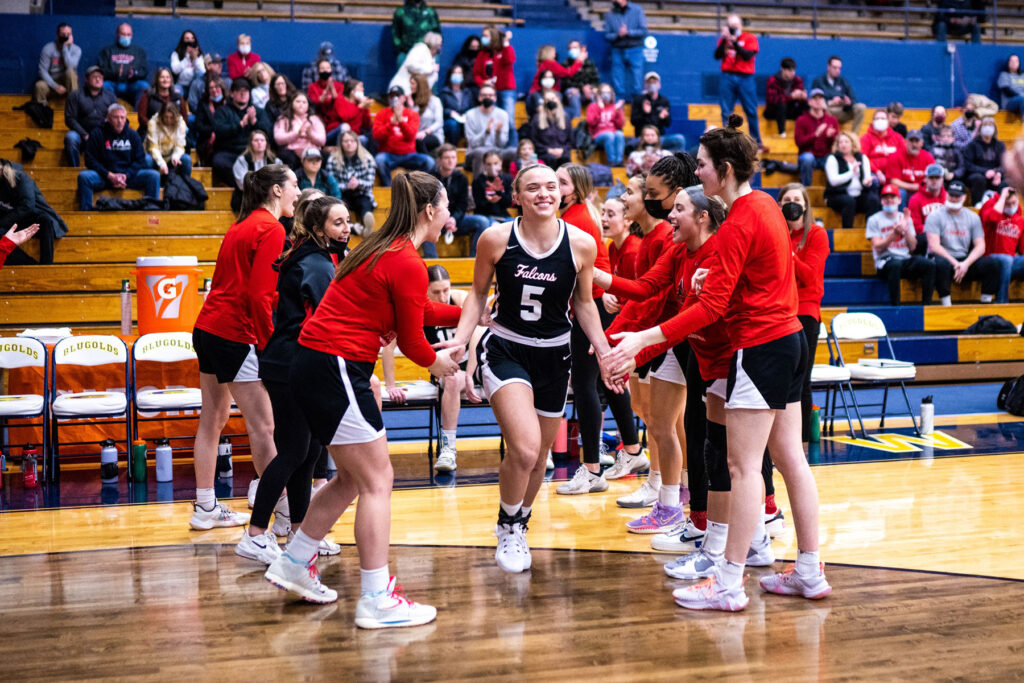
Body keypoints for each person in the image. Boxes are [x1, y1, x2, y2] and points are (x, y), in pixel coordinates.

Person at [606, 116, 830, 611]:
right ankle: (810, 570)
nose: (698, 173)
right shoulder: (766, 205)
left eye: (703, 166)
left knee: (744, 466)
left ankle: (728, 582)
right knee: (791, 458)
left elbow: (710, 309)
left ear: (724, 170)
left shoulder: (740, 220)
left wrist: (642, 337)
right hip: (791, 340)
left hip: (762, 345)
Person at [266, 170, 460, 627]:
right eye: (446, 206)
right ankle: (375, 596)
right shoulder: (407, 260)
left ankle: (295, 561)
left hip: (318, 365)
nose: (450, 215)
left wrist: (475, 310)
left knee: (353, 478)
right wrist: (440, 364)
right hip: (335, 367)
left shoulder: (383, 248)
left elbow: (418, 309)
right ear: (430, 211)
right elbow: (414, 343)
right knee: (378, 480)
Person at [440, 163, 616, 573]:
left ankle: (521, 522)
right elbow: (478, 294)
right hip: (507, 348)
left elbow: (585, 303)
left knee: (539, 460)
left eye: (551, 186)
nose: (544, 193)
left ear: (562, 193)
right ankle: (507, 526)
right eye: (533, 187)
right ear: (516, 196)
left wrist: (605, 352)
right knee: (524, 447)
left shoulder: (583, 244)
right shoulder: (495, 238)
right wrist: (462, 341)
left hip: (556, 354)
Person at [236, 193, 349, 563]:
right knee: (295, 451)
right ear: (319, 228)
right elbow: (329, 316)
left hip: (292, 362)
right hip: (290, 365)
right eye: (338, 223)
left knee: (310, 450)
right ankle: (255, 534)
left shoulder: (311, 255)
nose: (346, 229)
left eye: (348, 221)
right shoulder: (316, 264)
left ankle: (301, 534)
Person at [191, 164, 300, 531]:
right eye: (294, 185)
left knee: (213, 419)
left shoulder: (240, 225)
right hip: (234, 334)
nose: (298, 193)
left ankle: (204, 507)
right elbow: (258, 295)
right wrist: (269, 345)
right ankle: (286, 517)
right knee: (264, 428)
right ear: (276, 190)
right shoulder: (271, 228)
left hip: (207, 327)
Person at [554, 164, 642, 496]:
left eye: (560, 183)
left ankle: (591, 468)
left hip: (594, 307)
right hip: (594, 306)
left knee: (587, 384)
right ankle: (632, 450)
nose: (553, 188)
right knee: (607, 381)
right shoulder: (577, 214)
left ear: (574, 189)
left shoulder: (574, 219)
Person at [600, 174, 671, 505]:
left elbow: (650, 297)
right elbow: (638, 295)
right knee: (648, 413)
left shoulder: (653, 241)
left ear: (650, 197)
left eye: (629, 193)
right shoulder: (646, 240)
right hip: (647, 336)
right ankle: (661, 485)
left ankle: (670, 488)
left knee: (665, 422)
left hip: (660, 338)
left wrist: (624, 342)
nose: (624, 198)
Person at [382, 265, 471, 472]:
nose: (442, 296)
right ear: (426, 292)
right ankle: (449, 449)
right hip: (447, 371)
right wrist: (391, 385)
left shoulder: (460, 299)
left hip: (475, 364)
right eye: (436, 292)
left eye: (446, 290)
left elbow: (477, 336)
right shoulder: (418, 308)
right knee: (452, 378)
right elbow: (388, 346)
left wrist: (473, 369)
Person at [778, 184, 829, 439]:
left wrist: (789, 255)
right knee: (780, 377)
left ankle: (801, 439)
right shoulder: (776, 233)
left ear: (806, 205)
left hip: (806, 312)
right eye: (786, 199)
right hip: (779, 311)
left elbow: (810, 277)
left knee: (801, 377)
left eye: (796, 199)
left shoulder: (817, 235)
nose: (791, 203)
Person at [925, 179, 1000, 305]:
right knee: (940, 264)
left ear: (964, 197)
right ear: (946, 195)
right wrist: (955, 263)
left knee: (992, 264)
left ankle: (986, 303)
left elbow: (981, 246)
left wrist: (965, 263)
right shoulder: (935, 216)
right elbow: (934, 246)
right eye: (951, 195)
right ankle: (946, 304)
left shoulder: (973, 217)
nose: (953, 198)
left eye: (957, 196)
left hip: (964, 260)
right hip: (945, 258)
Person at [78, 103, 160, 211]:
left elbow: (140, 160)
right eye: (116, 117)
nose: (120, 121)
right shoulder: (97, 134)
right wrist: (109, 175)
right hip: (105, 176)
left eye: (122, 117)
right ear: (108, 118)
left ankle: (151, 213)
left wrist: (126, 175)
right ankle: (86, 215)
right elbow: (90, 160)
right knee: (84, 177)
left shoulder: (133, 135)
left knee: (154, 175)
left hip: (127, 177)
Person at [866, 184, 936, 309]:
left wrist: (907, 229)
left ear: (899, 200)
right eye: (886, 197)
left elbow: (913, 247)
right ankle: (895, 307)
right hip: (885, 260)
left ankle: (927, 306)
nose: (889, 200)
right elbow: (877, 247)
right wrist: (894, 233)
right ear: (881, 200)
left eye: (892, 197)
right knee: (895, 265)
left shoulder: (904, 218)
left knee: (928, 264)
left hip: (904, 258)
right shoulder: (874, 219)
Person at [0, 159, 65, 265]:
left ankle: (47, 265)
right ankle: (30, 264)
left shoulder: (21, 178)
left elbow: (28, 206)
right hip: (10, 222)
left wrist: (3, 222)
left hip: (26, 217)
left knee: (46, 221)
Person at [212, 78, 273, 187]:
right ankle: (243, 186)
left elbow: (268, 132)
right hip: (230, 151)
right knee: (219, 161)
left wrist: (254, 122)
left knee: (272, 162)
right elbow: (219, 131)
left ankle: (255, 187)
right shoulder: (223, 111)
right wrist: (240, 125)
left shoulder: (258, 111)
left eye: (246, 91)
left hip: (253, 152)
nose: (243, 94)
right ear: (231, 94)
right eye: (239, 91)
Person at [714, 13, 762, 148]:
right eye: (730, 26)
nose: (733, 28)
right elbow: (717, 55)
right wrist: (725, 39)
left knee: (751, 109)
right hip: (727, 76)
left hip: (745, 77)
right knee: (726, 111)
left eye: (735, 26)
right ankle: (728, 141)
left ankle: (756, 141)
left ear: (741, 25)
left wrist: (734, 42)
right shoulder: (725, 39)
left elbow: (747, 56)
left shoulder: (749, 37)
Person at [373, 85, 435, 187]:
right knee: (379, 160)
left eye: (397, 96)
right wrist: (391, 124)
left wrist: (401, 121)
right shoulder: (381, 114)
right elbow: (377, 136)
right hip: (389, 155)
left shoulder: (412, 114)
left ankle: (417, 188)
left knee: (429, 162)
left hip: (409, 155)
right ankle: (389, 190)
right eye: (391, 96)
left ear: (404, 98)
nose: (394, 99)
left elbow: (411, 136)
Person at [825, 131, 880, 230]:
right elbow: (833, 181)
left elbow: (865, 179)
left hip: (858, 195)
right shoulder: (832, 158)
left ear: (853, 143)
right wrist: (851, 172)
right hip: (837, 195)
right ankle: (848, 232)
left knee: (874, 200)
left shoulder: (862, 158)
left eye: (846, 141)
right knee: (849, 201)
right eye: (840, 142)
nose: (843, 144)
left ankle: (871, 231)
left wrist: (867, 182)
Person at [64, 66, 117, 168]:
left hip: (103, 135)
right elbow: (70, 119)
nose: (98, 79)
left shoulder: (110, 96)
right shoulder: (75, 95)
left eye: (100, 77)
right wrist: (84, 134)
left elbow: (116, 116)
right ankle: (73, 171)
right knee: (71, 138)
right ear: (86, 79)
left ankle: (112, 171)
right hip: (82, 134)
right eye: (95, 77)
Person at [327, 130, 378, 235]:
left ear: (357, 142)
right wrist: (347, 186)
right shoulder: (333, 159)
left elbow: (370, 183)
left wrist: (358, 183)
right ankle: (352, 227)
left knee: (365, 203)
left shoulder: (368, 159)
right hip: (343, 194)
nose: (349, 143)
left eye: (352, 141)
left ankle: (366, 224)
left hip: (361, 193)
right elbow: (331, 182)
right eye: (345, 141)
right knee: (340, 205)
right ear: (341, 143)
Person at [472, 27, 517, 146]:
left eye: (486, 35)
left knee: (510, 121)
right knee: (492, 120)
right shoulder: (482, 54)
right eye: (483, 35)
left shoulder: (504, 50)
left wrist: (506, 42)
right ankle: (493, 148)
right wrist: (483, 83)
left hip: (506, 90)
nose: (483, 38)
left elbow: (510, 59)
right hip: (489, 91)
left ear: (493, 37)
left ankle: (512, 149)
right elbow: (476, 73)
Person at [464, 150, 514, 256]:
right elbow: (479, 205)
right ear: (484, 165)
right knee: (491, 225)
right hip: (486, 216)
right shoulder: (478, 181)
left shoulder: (507, 179)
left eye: (495, 163)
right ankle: (474, 258)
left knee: (517, 226)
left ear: (500, 164)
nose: (492, 167)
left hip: (503, 216)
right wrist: (490, 201)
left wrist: (499, 192)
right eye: (489, 164)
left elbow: (509, 202)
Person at [980, 188, 1024, 303]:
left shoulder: (1020, 220)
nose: (1011, 206)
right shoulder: (991, 208)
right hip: (990, 259)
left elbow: (1022, 249)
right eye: (1007, 204)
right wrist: (1002, 196)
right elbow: (991, 218)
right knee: (1007, 260)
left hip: (1010, 262)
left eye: (1014, 203)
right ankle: (1001, 303)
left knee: (1010, 260)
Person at [464, 84, 513, 175]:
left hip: (497, 150)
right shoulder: (470, 114)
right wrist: (486, 132)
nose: (487, 97)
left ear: (495, 98)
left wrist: (498, 133)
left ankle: (515, 186)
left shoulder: (503, 114)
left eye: (490, 95)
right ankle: (478, 187)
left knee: (514, 152)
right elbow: (472, 143)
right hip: (476, 151)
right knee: (480, 152)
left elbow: (502, 144)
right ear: (479, 98)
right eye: (484, 95)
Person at [630, 71, 685, 152]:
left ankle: (673, 163)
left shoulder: (664, 101)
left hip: (659, 138)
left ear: (659, 85)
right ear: (645, 85)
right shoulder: (638, 100)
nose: (652, 84)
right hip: (642, 138)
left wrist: (664, 117)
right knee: (629, 145)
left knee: (679, 139)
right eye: (649, 82)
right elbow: (633, 121)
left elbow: (668, 124)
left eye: (654, 82)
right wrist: (645, 113)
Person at [97, 23, 149, 107]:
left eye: (128, 34)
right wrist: (115, 73)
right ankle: (111, 112)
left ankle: (137, 115)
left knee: (144, 86)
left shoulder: (139, 51)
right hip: (113, 83)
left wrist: (134, 73)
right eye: (123, 34)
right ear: (117, 34)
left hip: (131, 84)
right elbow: (100, 71)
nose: (126, 37)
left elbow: (144, 72)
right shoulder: (107, 51)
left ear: (132, 36)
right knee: (102, 85)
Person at [604, 0, 648, 100]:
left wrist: (628, 32)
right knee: (617, 81)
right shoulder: (609, 14)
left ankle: (637, 106)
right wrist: (617, 35)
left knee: (637, 81)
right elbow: (606, 35)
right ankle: (619, 106)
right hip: (617, 49)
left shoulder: (637, 10)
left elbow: (644, 31)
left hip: (635, 49)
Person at [794, 89, 838, 187]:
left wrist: (831, 137)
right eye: (815, 98)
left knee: (834, 159)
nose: (818, 101)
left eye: (821, 98)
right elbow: (799, 142)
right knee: (807, 159)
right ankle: (806, 189)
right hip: (808, 155)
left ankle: (832, 192)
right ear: (809, 102)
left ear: (824, 101)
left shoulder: (832, 120)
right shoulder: (801, 120)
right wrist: (815, 135)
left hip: (825, 156)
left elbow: (837, 144)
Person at [811, 56, 866, 135]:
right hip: (828, 111)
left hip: (842, 110)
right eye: (835, 68)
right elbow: (814, 101)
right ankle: (832, 135)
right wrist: (830, 102)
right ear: (828, 67)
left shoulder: (843, 81)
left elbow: (853, 99)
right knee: (823, 106)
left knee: (861, 107)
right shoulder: (818, 81)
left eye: (839, 68)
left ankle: (854, 137)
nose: (837, 70)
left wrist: (848, 102)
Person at [430, 144, 469, 251]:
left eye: (453, 157)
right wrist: (443, 218)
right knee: (423, 227)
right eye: (447, 158)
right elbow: (429, 203)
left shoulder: (462, 178)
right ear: (439, 160)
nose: (451, 161)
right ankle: (431, 263)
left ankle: (475, 263)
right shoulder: (431, 177)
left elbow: (463, 204)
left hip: (455, 220)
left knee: (481, 222)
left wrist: (453, 219)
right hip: (435, 220)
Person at [273, 92, 326, 170]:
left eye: (304, 102)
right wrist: (297, 134)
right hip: (292, 152)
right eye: (298, 101)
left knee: (323, 156)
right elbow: (278, 138)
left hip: (312, 151)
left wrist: (311, 135)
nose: (301, 104)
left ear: (308, 105)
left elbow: (322, 140)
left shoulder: (314, 119)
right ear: (291, 103)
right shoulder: (283, 119)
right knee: (287, 157)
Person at [232, 129, 278, 214]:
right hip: (246, 203)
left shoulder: (275, 161)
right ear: (251, 144)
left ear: (266, 143)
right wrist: (266, 184)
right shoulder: (242, 160)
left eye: (262, 140)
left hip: (270, 202)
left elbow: (279, 182)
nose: (259, 143)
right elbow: (243, 184)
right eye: (256, 140)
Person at [886, 129, 936, 206]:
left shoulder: (928, 157)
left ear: (922, 143)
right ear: (905, 142)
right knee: (900, 193)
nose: (914, 144)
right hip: (904, 191)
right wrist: (914, 187)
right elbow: (894, 181)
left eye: (917, 141)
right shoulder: (895, 156)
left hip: (921, 191)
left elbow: (932, 179)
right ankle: (900, 217)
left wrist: (919, 188)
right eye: (911, 141)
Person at [963, 117, 1006, 204]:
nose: (988, 128)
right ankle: (977, 206)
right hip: (977, 174)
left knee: (1006, 183)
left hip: (995, 175)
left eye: (990, 126)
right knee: (978, 179)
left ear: (994, 129)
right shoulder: (972, 145)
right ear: (980, 129)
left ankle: (1003, 207)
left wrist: (998, 172)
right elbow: (968, 164)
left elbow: (1005, 163)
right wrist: (985, 171)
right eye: (985, 125)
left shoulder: (1000, 145)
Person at [907, 163, 949, 254]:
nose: (934, 180)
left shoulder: (949, 198)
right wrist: (936, 232)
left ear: (942, 179)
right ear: (925, 179)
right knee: (922, 239)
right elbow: (916, 226)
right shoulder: (915, 199)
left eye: (937, 178)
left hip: (947, 235)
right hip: (926, 238)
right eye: (931, 177)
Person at [35, 22, 80, 105]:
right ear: (57, 35)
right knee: (39, 85)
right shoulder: (48, 48)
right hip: (52, 81)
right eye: (63, 34)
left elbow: (70, 66)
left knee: (70, 72)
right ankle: (42, 112)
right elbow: (42, 71)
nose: (66, 36)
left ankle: (74, 107)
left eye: (68, 34)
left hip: (68, 83)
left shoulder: (76, 49)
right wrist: (55, 86)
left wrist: (65, 48)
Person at [389, 32, 442, 97]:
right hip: (401, 90)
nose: (440, 47)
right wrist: (430, 69)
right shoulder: (420, 49)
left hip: (418, 94)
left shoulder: (432, 57)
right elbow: (410, 64)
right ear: (434, 44)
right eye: (440, 44)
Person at [764, 58, 807, 137]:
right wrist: (791, 96)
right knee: (781, 104)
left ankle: (806, 130)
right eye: (790, 70)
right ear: (782, 69)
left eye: (794, 70)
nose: (792, 73)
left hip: (790, 110)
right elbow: (773, 99)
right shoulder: (773, 80)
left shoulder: (797, 80)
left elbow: (799, 95)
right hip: (774, 111)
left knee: (806, 103)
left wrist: (802, 96)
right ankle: (782, 133)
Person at [861, 109, 906, 186]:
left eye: (883, 119)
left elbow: (904, 155)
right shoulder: (865, 138)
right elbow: (863, 158)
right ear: (873, 121)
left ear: (888, 121)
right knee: (873, 182)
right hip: (874, 173)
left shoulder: (898, 137)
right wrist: (877, 171)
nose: (880, 121)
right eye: (877, 119)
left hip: (894, 173)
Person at [529, 92, 572, 170]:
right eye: (547, 100)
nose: (550, 101)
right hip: (544, 153)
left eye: (552, 99)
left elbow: (570, 140)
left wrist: (562, 150)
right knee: (550, 159)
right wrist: (548, 150)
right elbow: (533, 140)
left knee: (565, 159)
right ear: (544, 102)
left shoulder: (565, 118)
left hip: (562, 152)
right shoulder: (537, 119)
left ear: (558, 100)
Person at [146, 102, 191, 178]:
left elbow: (180, 145)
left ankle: (186, 185)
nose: (168, 120)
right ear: (162, 115)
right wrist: (162, 164)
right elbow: (153, 148)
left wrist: (176, 156)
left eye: (171, 117)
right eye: (166, 117)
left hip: (171, 156)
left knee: (186, 159)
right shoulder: (153, 123)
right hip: (155, 157)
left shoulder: (180, 123)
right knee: (147, 160)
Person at [587, 83, 626, 166]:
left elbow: (620, 125)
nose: (606, 95)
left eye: (608, 92)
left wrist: (618, 112)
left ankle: (619, 161)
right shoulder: (593, 106)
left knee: (619, 134)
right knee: (610, 135)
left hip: (613, 133)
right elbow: (591, 123)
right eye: (604, 92)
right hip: (598, 135)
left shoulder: (614, 107)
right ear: (599, 95)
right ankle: (611, 161)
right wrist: (600, 109)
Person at [137, 67, 187, 133]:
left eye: (167, 77)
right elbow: (142, 117)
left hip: (173, 132)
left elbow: (184, 119)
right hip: (152, 131)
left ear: (171, 80)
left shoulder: (178, 97)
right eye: (162, 77)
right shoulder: (148, 95)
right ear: (157, 79)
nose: (165, 80)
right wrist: (157, 128)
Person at [562, 39, 601, 120]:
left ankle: (594, 120)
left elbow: (596, 80)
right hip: (573, 93)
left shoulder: (589, 63)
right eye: (571, 48)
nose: (573, 50)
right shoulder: (565, 64)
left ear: (581, 49)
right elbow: (566, 83)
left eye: (575, 48)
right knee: (572, 92)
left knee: (596, 92)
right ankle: (576, 121)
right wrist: (582, 88)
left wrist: (591, 87)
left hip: (587, 93)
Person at [192, 75, 224, 166]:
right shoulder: (203, 103)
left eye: (217, 87)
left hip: (225, 137)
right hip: (207, 138)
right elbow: (199, 125)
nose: (214, 90)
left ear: (221, 88)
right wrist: (212, 131)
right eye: (211, 88)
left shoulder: (228, 102)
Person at [409, 74, 444, 156]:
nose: (410, 86)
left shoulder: (435, 101)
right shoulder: (411, 101)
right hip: (416, 135)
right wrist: (410, 106)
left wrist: (425, 132)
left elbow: (439, 122)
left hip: (433, 135)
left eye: (413, 83)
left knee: (419, 141)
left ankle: (429, 166)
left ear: (420, 85)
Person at [333, 79, 374, 147]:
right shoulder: (340, 100)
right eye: (360, 87)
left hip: (354, 136)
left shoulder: (360, 104)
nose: (363, 89)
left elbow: (367, 125)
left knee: (363, 139)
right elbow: (345, 118)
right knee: (345, 126)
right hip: (339, 133)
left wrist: (366, 108)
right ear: (352, 91)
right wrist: (360, 107)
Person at [441, 66, 474, 145]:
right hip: (450, 119)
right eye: (455, 73)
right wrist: (450, 112)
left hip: (465, 119)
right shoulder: (445, 92)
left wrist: (466, 114)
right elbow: (441, 109)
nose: (457, 75)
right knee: (453, 125)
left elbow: (472, 107)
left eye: (459, 73)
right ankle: (453, 148)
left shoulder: (467, 92)